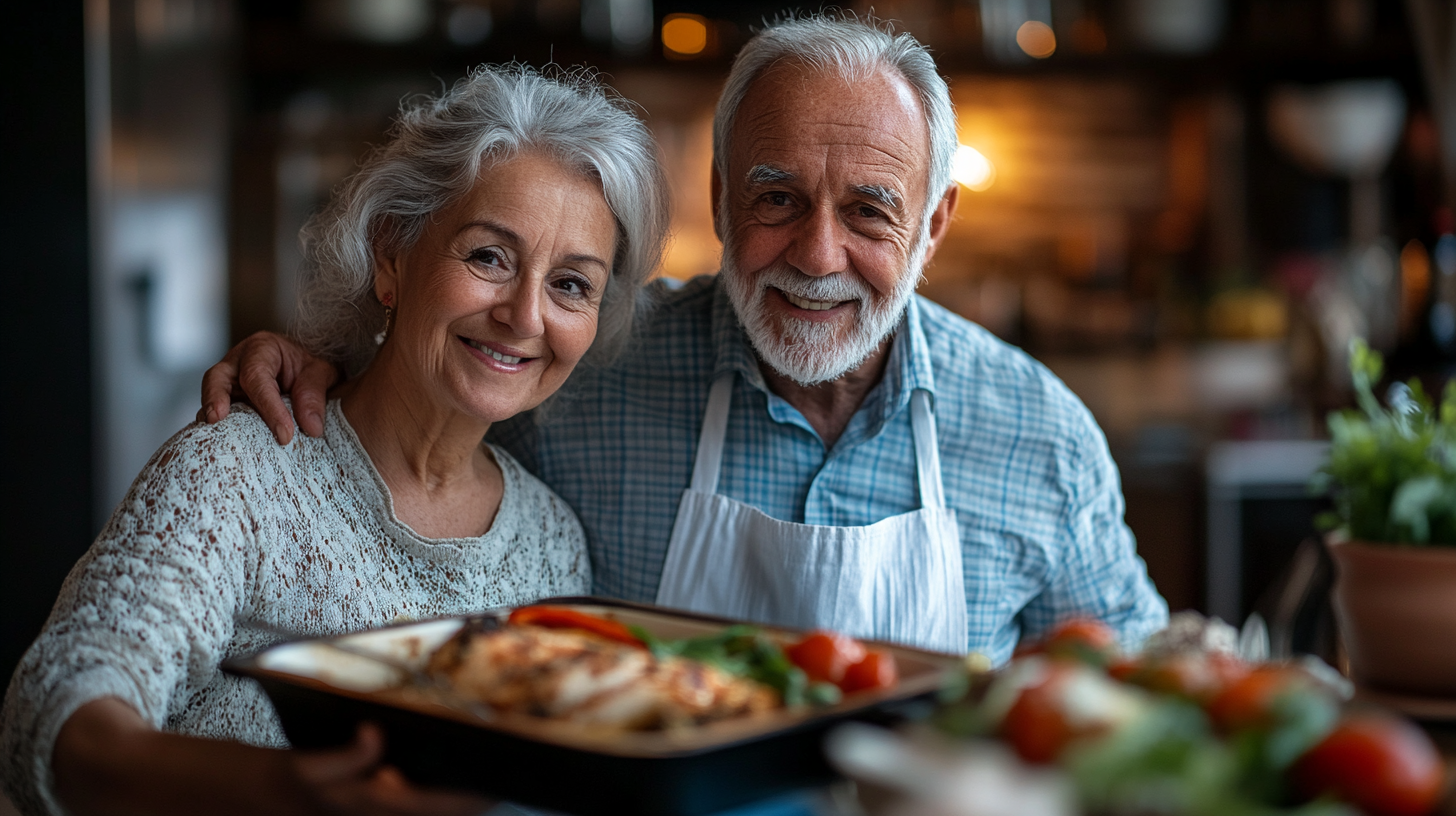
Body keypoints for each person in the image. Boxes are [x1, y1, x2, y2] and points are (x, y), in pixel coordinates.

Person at [200, 16, 1169, 665]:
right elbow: (425, 394)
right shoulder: (587, 364)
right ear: (718, 199)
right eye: (776, 198)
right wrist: (317, 360)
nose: (818, 254)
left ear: (934, 225)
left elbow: (1133, 703)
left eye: (869, 213)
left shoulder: (1039, 433)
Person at [1, 65, 669, 816]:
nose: (524, 315)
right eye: (488, 256)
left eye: (571, 285)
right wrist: (275, 790)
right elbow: (56, 712)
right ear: (392, 255)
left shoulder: (552, 542)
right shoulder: (241, 472)